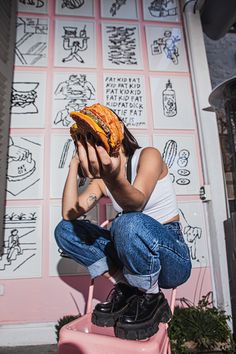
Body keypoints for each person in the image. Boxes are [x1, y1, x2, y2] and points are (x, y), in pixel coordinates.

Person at [54, 105, 192, 340]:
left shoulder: (148, 155)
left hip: (170, 258)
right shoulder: (100, 181)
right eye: (85, 139)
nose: (90, 144)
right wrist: (74, 164)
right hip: (129, 252)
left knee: (127, 222)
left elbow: (135, 204)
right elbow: (69, 213)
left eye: (93, 137)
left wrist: (112, 175)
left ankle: (152, 297)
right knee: (65, 230)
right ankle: (129, 287)